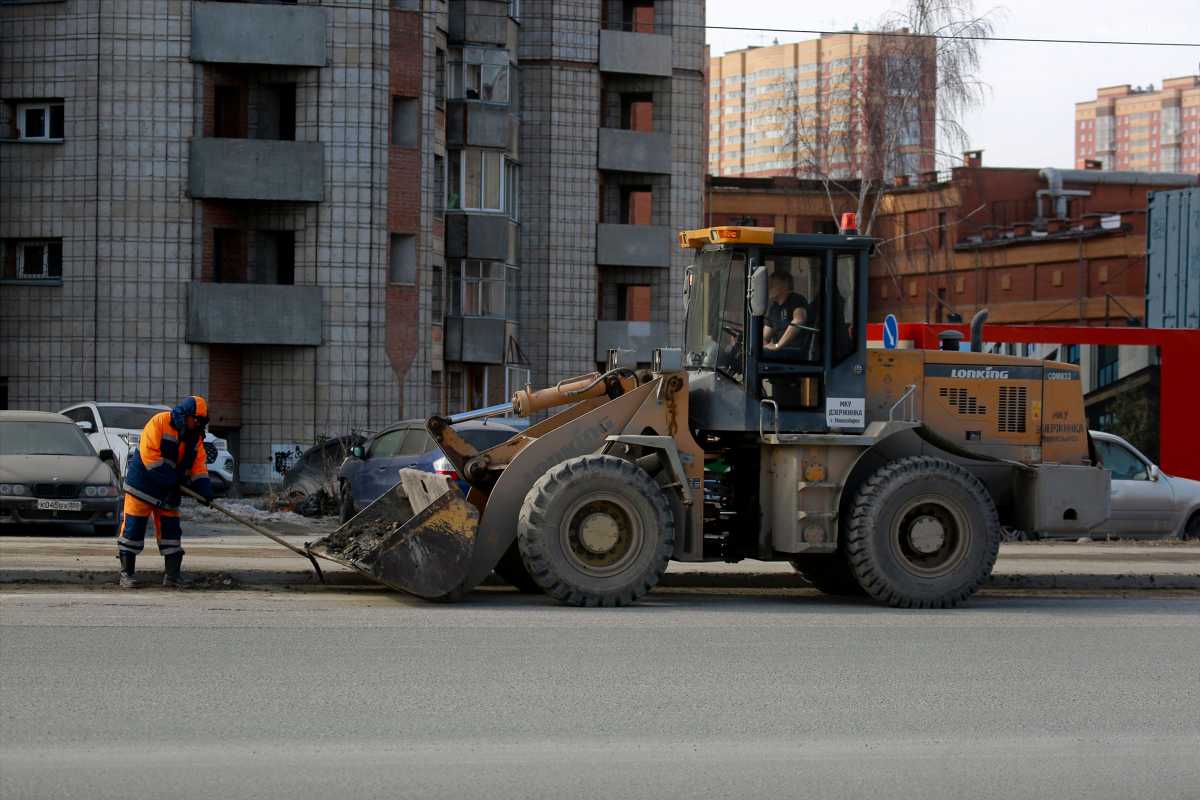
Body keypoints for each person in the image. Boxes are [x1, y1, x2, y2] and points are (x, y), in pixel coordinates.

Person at [116, 396, 215, 588]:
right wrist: (173, 482)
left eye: (201, 422)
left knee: (171, 532)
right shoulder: (159, 422)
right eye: (196, 420)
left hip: (169, 490)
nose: (198, 424)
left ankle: (172, 577)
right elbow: (151, 458)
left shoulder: (195, 437)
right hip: (142, 486)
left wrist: (205, 491)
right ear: (186, 415)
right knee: (132, 530)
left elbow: (198, 467)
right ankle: (126, 574)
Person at [763, 271, 811, 353]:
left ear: (785, 284)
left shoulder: (796, 299)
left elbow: (799, 320)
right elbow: (765, 337)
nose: (768, 287)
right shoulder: (774, 308)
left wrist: (777, 346)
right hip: (780, 351)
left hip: (793, 352)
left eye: (772, 283)